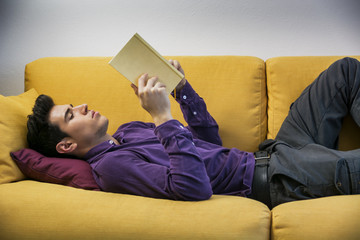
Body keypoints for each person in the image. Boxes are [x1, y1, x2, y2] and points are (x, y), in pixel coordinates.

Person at [27, 58, 360, 209]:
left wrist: (181, 91)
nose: (83, 105)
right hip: (279, 178)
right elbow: (192, 187)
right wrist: (160, 115)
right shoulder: (111, 168)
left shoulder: (127, 131)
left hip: (276, 150)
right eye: (71, 114)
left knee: (345, 71)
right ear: (67, 144)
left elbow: (208, 143)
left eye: (74, 105)